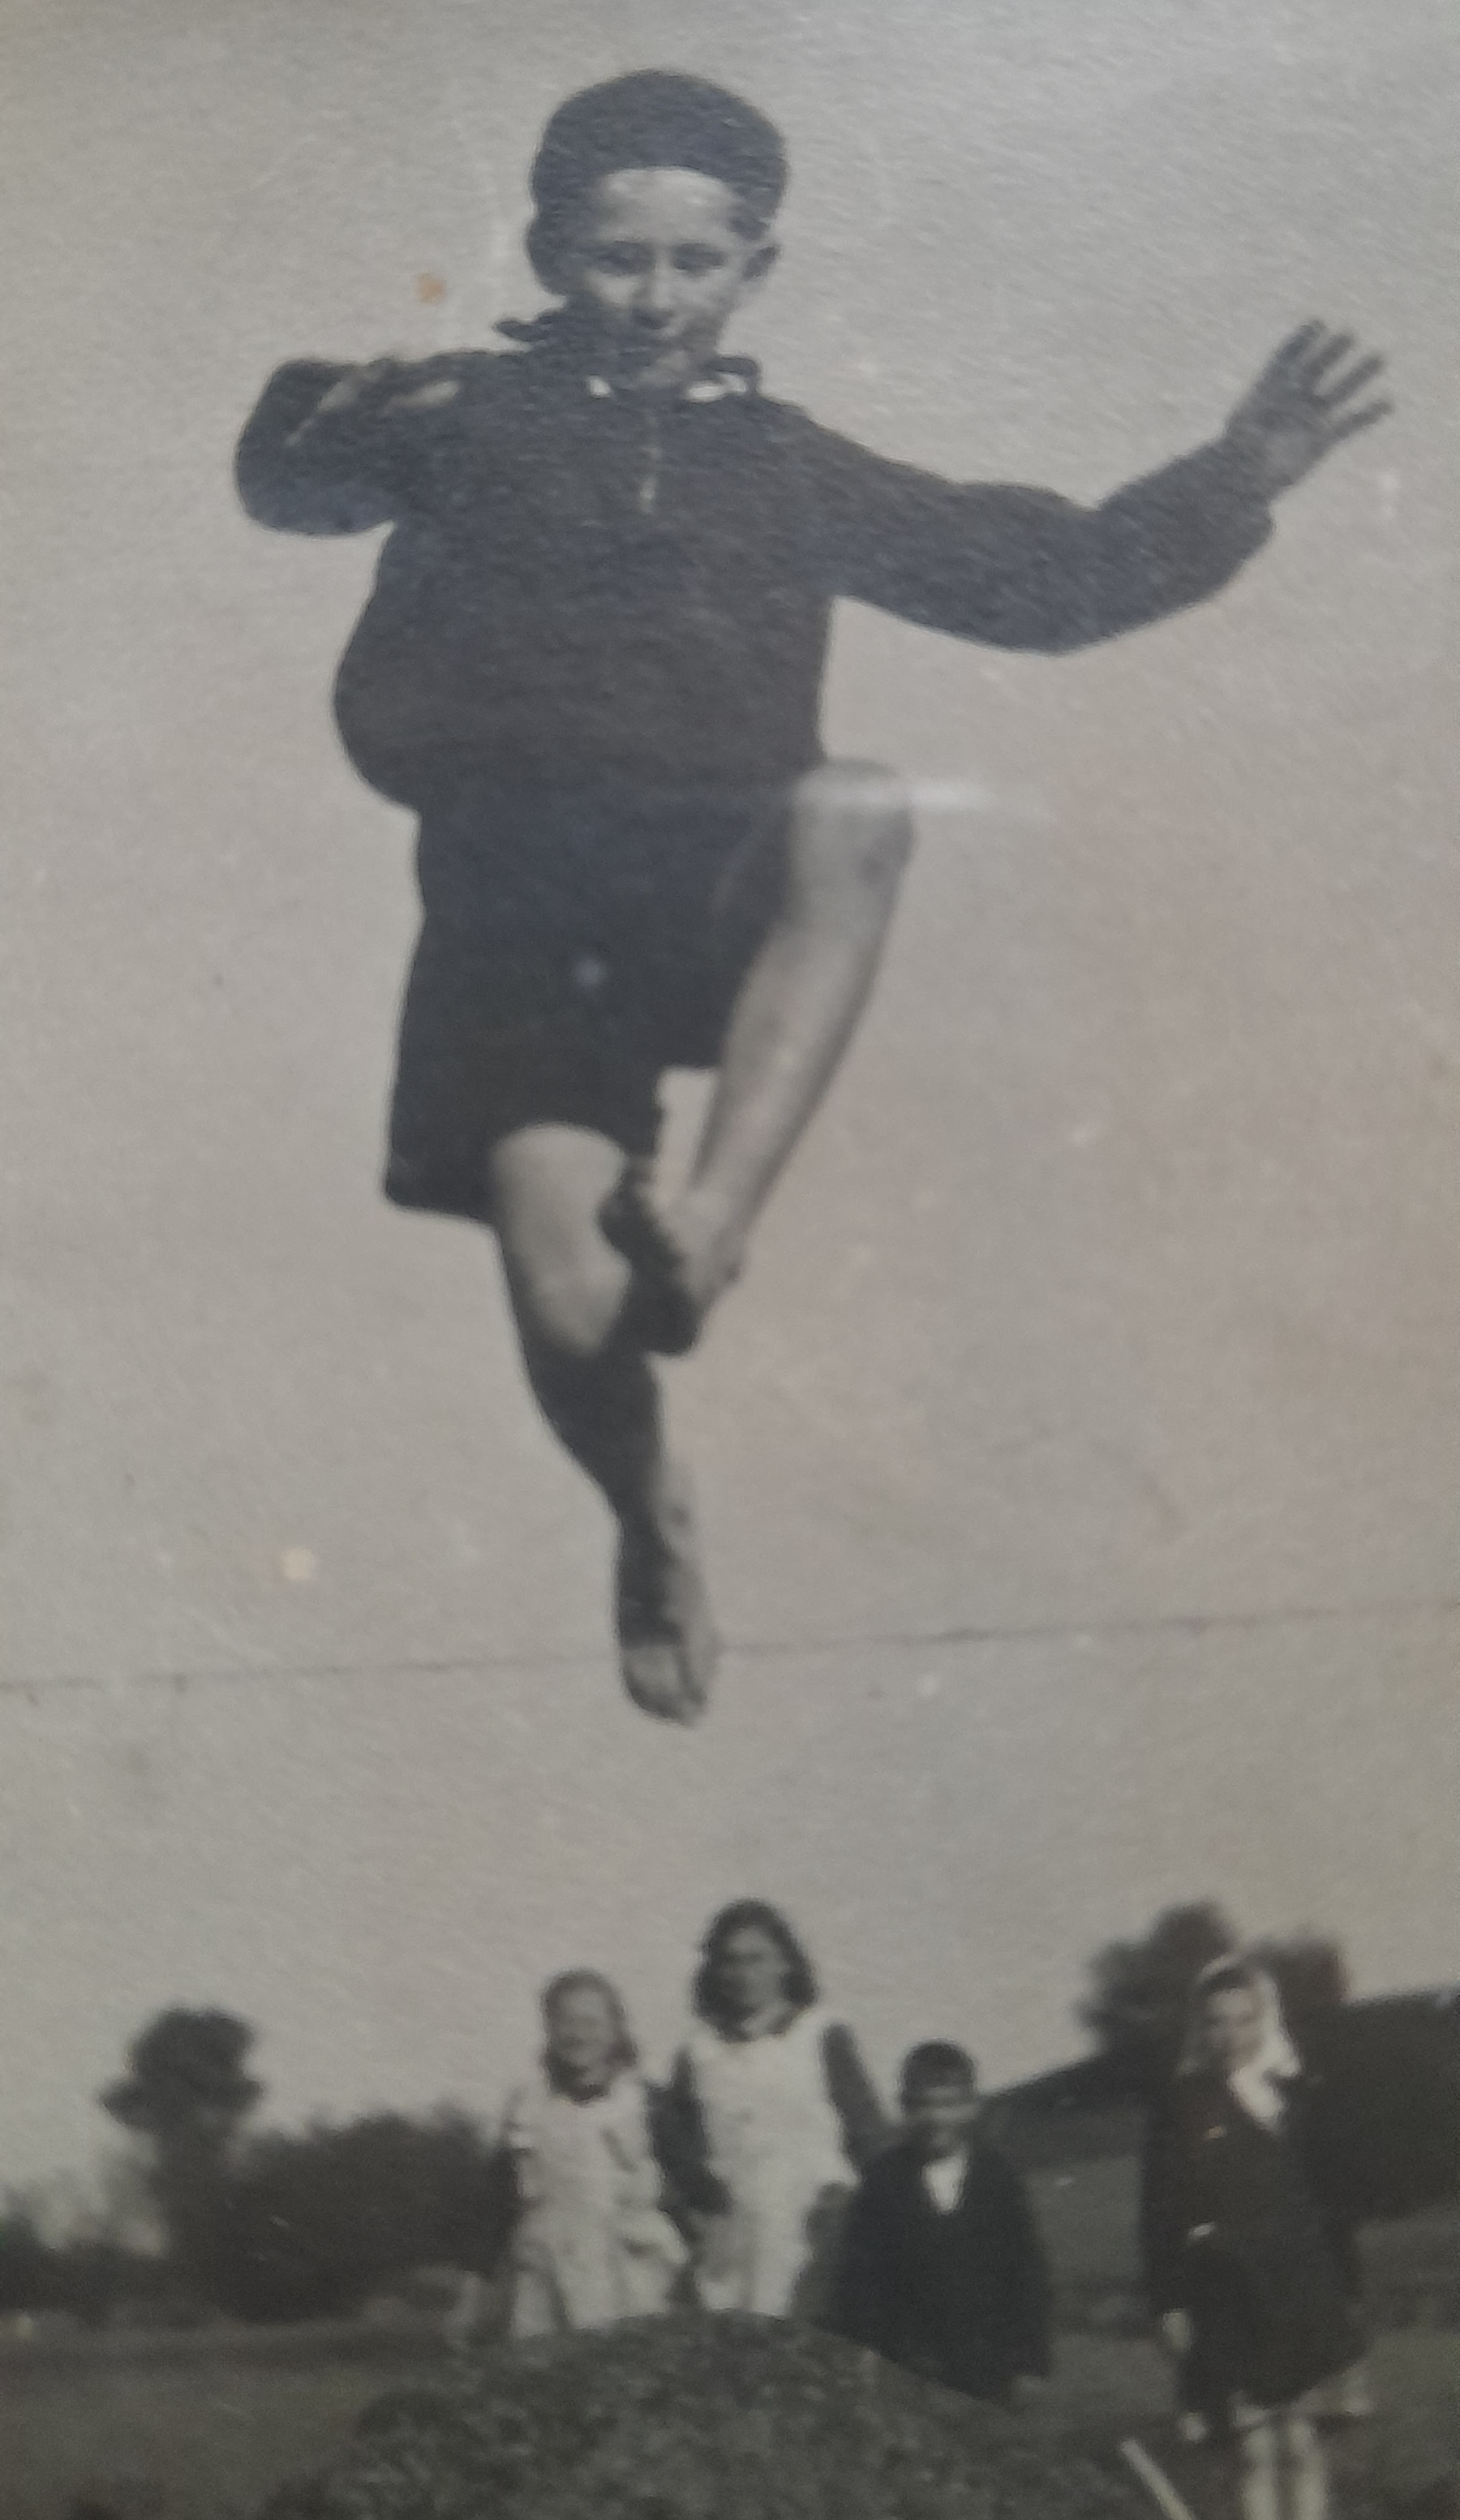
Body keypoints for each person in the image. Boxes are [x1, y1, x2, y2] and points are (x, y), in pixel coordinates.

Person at [235, 69, 1389, 1725]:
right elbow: (289, 484)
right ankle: (648, 1512)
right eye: (618, 260)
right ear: (550, 255)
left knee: (858, 801)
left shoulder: (789, 469)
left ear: (754, 270)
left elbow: (1046, 580)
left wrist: (1236, 476)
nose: (655, 300)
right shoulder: (468, 420)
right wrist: (328, 408)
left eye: (694, 265)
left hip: (712, 886)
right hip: (513, 909)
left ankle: (712, 1219)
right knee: (573, 1307)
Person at [1140, 1955, 1367, 2520]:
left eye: (1244, 2020)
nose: (1230, 2035)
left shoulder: (1296, 2095)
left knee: (1302, 2445)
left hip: (1303, 2292)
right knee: (1254, 2452)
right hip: (1229, 2298)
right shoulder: (1182, 2105)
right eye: (1216, 2022)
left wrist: (1350, 2292)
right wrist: (1167, 2302)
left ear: (1265, 2020)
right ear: (1200, 2028)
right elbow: (1159, 2212)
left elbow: (1334, 2202)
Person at [659, 1900, 884, 2316]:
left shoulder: (821, 2035)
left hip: (817, 2236)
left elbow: (870, 2138)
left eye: (757, 1959)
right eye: (731, 1961)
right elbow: (678, 2158)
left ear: (786, 1963)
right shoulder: (698, 2054)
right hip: (735, 2243)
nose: (744, 1974)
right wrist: (700, 2219)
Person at [837, 2040, 1052, 2403]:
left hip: (990, 2362)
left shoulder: (996, 2177)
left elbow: (1026, 2272)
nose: (936, 2118)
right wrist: (868, 2349)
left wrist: (1030, 2361)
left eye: (949, 2104)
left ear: (972, 2107)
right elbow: (863, 2278)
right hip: (912, 2363)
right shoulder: (884, 2181)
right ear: (904, 2107)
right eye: (923, 2105)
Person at [500, 1968, 686, 2336]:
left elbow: (690, 2186)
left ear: (616, 2030)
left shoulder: (646, 2102)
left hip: (629, 2272)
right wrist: (473, 2293)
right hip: (548, 2272)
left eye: (591, 2023)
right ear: (549, 2030)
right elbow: (498, 2202)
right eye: (565, 2022)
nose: (578, 2034)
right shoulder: (528, 2106)